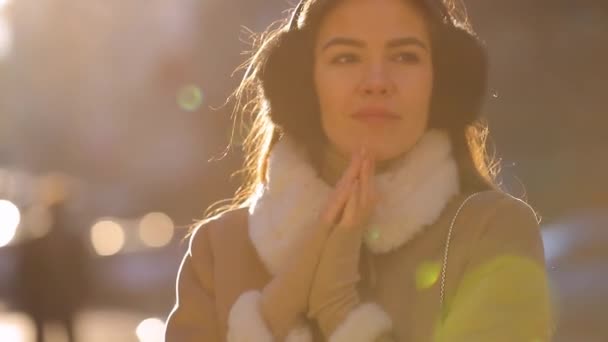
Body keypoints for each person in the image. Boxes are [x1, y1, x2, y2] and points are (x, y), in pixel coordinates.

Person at [165, 0, 553, 341]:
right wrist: (275, 310)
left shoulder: (490, 231)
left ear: (444, 83)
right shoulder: (219, 250)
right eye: (346, 58)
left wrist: (339, 310)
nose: (377, 82)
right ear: (301, 84)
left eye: (405, 56)